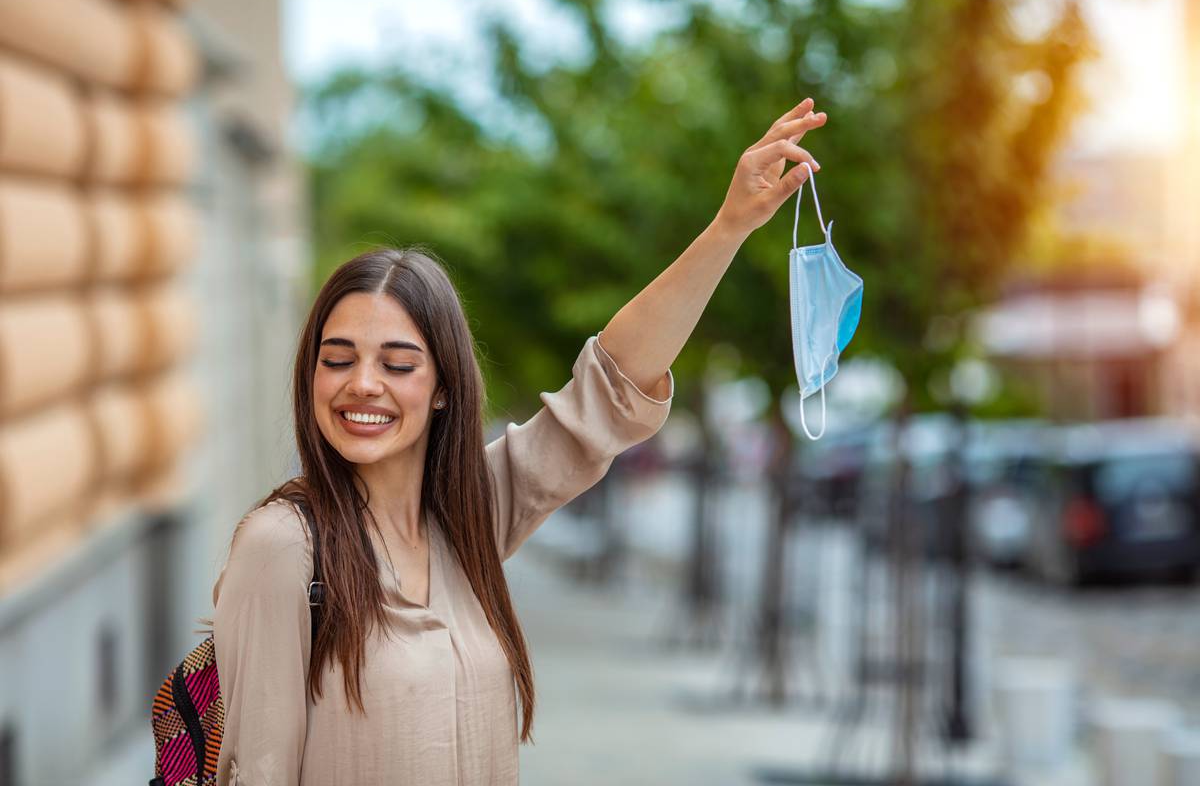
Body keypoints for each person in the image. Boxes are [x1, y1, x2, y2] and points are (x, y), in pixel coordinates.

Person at [212, 98, 827, 785]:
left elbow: (611, 390)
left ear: (443, 385)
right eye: (338, 358)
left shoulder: (471, 514)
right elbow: (255, 773)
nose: (362, 384)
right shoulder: (283, 548)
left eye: (397, 363)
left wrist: (729, 226)